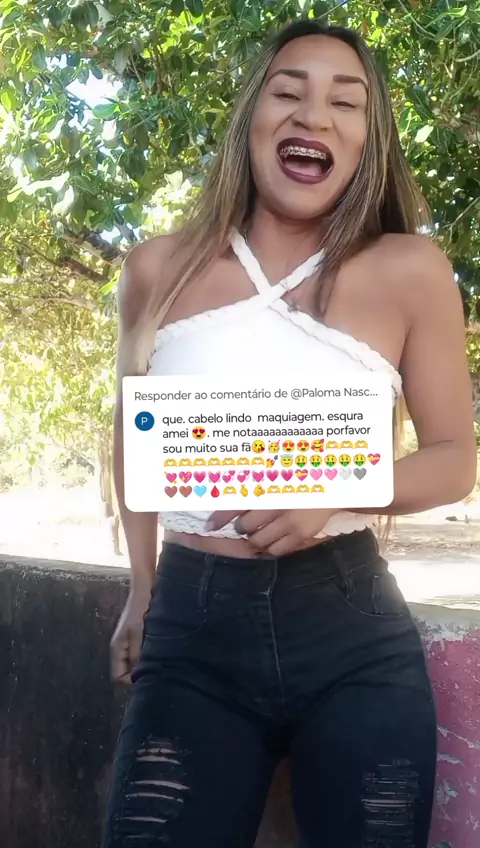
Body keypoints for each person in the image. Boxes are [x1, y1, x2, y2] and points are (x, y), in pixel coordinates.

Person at [103, 18, 476, 848]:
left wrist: (329, 491)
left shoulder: (411, 269)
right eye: (288, 92)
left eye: (346, 102)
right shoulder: (155, 269)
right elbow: (136, 438)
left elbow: (455, 462)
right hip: (191, 630)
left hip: (351, 631)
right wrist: (142, 586)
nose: (314, 115)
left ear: (368, 139)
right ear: (252, 118)